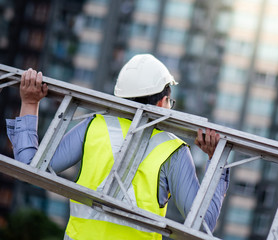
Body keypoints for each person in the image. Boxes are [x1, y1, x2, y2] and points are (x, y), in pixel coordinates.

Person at [6, 54, 229, 239]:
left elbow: (29, 166)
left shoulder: (94, 125)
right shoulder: (173, 150)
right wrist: (217, 163)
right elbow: (202, 226)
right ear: (162, 103)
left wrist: (30, 102)